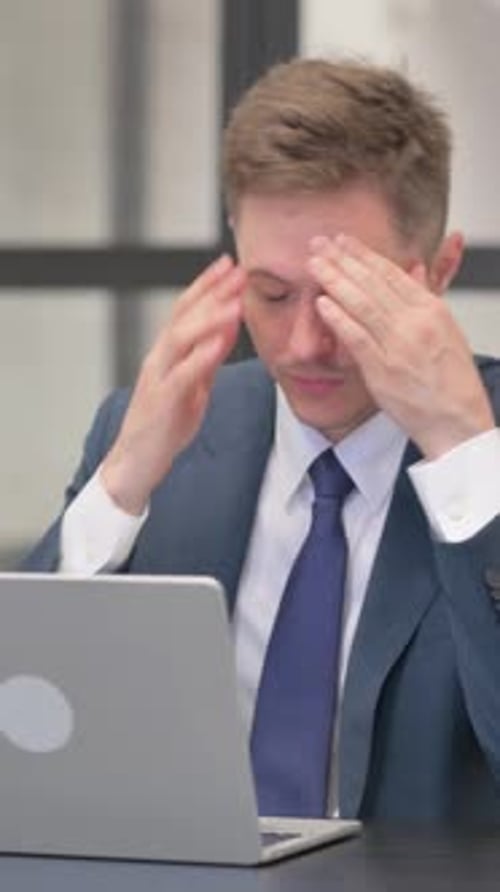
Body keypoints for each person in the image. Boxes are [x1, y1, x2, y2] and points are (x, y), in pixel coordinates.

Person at [24, 58, 500, 823]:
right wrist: (119, 489)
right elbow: (26, 734)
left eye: (348, 296)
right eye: (271, 294)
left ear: (439, 272)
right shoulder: (159, 434)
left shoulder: (488, 455)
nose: (305, 344)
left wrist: (468, 459)